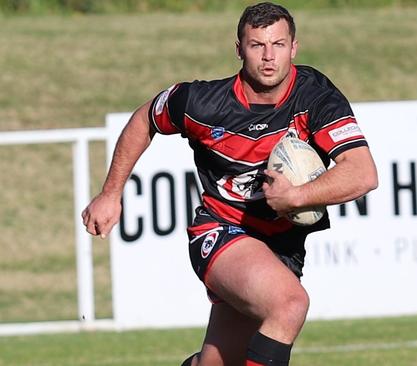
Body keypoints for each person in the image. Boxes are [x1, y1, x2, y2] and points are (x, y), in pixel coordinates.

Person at [81, 2, 378, 365]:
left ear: (294, 48)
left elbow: (363, 173)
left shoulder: (315, 97)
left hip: (281, 245)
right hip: (222, 229)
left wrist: (296, 196)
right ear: (239, 49)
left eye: (278, 45)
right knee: (290, 304)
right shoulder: (203, 103)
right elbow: (145, 119)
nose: (269, 57)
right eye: (257, 46)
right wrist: (111, 194)